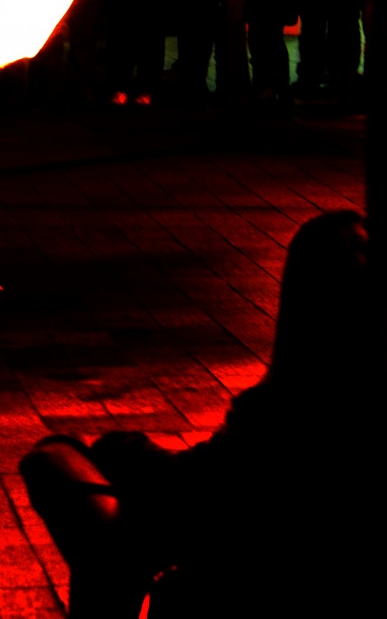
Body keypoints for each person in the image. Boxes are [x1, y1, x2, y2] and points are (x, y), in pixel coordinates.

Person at [21, 207, 382, 618]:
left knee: (55, 462)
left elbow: (193, 486)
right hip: (239, 536)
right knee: (111, 518)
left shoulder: (288, 411)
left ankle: (117, 574)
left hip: (244, 573)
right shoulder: (323, 407)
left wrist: (117, 449)